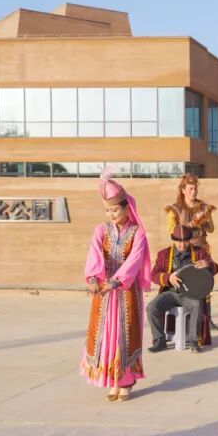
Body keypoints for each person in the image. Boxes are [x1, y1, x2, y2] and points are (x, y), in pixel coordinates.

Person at [82, 171, 151, 401]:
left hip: (126, 290)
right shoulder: (101, 230)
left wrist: (115, 282)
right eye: (108, 211)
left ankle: (126, 380)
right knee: (105, 336)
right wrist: (93, 279)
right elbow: (94, 254)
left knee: (124, 334)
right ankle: (112, 380)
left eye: (115, 210)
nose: (111, 215)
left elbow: (134, 261)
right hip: (103, 292)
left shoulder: (138, 233)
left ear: (126, 208)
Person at [146, 225, 218, 353]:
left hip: (190, 294)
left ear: (189, 240)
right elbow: (154, 275)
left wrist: (208, 264)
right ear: (173, 240)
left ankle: (193, 341)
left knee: (197, 305)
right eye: (178, 241)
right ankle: (159, 340)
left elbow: (216, 268)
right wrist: (168, 278)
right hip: (170, 293)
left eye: (185, 241)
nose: (182, 245)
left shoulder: (200, 253)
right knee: (151, 307)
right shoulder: (164, 254)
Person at [164, 174, 218, 329]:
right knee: (185, 284)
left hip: (201, 250)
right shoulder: (175, 209)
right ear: (183, 190)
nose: (193, 192)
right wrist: (193, 222)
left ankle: (207, 320)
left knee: (205, 284)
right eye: (190, 189)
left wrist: (204, 220)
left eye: (195, 189)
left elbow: (211, 229)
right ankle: (185, 320)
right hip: (184, 250)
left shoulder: (203, 207)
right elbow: (172, 231)